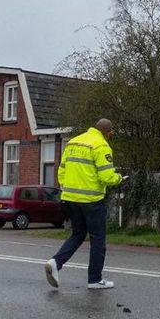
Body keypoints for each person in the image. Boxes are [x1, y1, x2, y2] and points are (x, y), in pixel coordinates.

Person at [44, 118, 125, 290]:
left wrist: (67, 188)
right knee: (98, 239)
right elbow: (106, 177)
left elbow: (62, 170)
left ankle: (55, 262)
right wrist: (119, 178)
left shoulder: (73, 142)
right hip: (92, 201)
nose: (111, 136)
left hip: (70, 198)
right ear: (107, 131)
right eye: (111, 133)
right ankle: (94, 279)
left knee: (78, 234)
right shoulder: (101, 146)